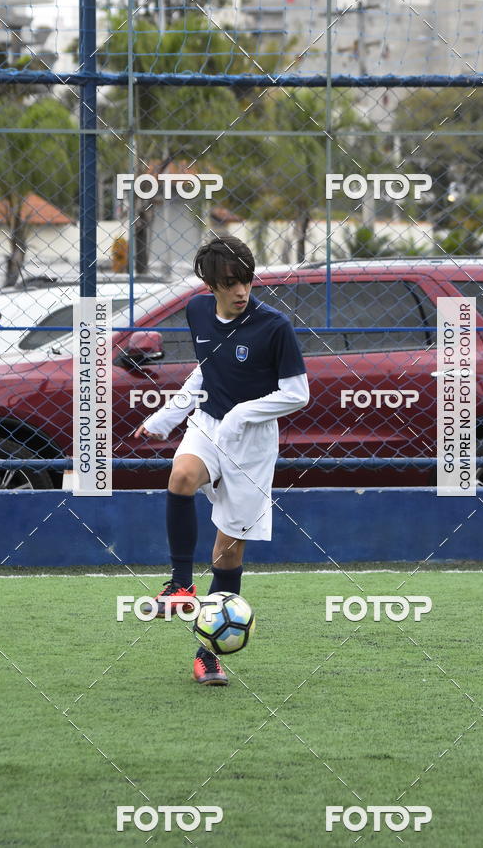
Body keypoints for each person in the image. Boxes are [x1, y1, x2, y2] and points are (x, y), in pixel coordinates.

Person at [134, 237, 310, 685]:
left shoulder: (274, 326)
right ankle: (180, 583)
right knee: (181, 476)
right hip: (208, 426)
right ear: (210, 284)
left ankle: (207, 654)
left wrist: (241, 415)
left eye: (247, 280)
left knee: (226, 552)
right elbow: (203, 371)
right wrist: (165, 418)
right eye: (230, 283)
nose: (241, 291)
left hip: (252, 446)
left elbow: (297, 394)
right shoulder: (196, 312)